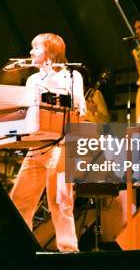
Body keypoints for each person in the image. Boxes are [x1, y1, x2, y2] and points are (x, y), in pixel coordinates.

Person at [9, 33, 86, 252]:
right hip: (37, 145)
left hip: (61, 145)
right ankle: (20, 249)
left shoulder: (72, 76)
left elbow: (78, 111)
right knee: (20, 199)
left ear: (50, 52)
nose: (31, 52)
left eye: (36, 48)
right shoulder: (32, 80)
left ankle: (69, 251)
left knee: (61, 202)